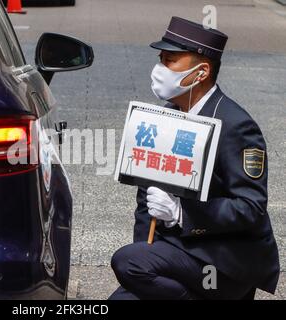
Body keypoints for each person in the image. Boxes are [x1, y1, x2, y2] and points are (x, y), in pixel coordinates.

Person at [109, 16, 279, 300]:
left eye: (170, 60)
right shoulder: (164, 116)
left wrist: (180, 214)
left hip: (223, 262)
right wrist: (145, 254)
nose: (159, 68)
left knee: (128, 261)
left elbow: (250, 207)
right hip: (178, 253)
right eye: (160, 58)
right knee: (127, 281)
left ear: (201, 72)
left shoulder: (236, 125)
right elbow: (145, 199)